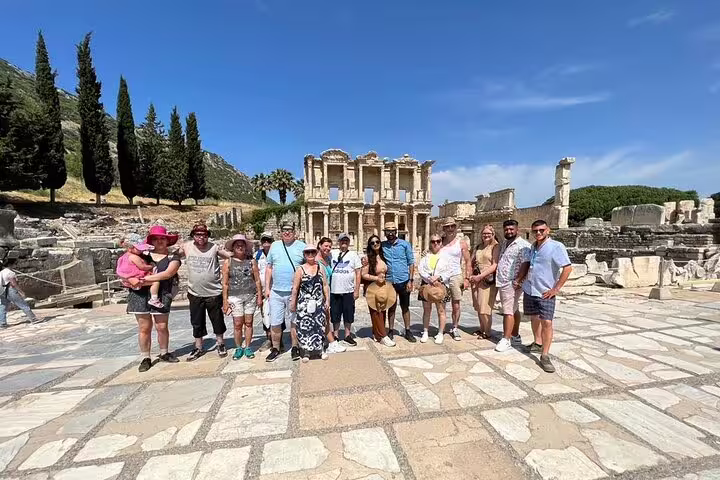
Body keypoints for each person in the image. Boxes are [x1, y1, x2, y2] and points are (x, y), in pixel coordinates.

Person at [126, 226, 182, 372]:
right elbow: (126, 268)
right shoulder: (142, 255)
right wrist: (130, 279)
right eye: (156, 239)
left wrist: (142, 279)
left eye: (162, 238)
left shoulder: (172, 258)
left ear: (167, 241)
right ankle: (146, 357)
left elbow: (167, 274)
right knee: (144, 328)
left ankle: (164, 352)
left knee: (161, 326)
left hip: (162, 293)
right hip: (140, 294)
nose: (159, 241)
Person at [520, 219, 573, 373]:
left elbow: (567, 268)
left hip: (545, 292)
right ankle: (537, 342)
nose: (538, 233)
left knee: (547, 322)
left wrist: (556, 289)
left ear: (548, 230)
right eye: (535, 230)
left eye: (541, 230)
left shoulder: (556, 247)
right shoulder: (533, 247)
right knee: (534, 317)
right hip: (530, 289)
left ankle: (545, 355)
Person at [178, 224, 233, 361]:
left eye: (204, 235)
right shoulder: (187, 246)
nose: (201, 237)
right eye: (198, 235)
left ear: (207, 235)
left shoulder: (214, 247)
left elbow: (229, 255)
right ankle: (198, 347)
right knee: (196, 321)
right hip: (195, 292)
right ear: (193, 235)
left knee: (217, 319)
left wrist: (243, 253)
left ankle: (220, 343)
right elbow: (171, 254)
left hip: (213, 292)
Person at [265, 222, 306, 362]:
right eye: (284, 230)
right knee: (275, 322)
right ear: (280, 232)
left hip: (294, 291)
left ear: (295, 232)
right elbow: (269, 267)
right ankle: (275, 348)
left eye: (289, 230)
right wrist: (267, 288)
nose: (287, 232)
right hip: (276, 291)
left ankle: (295, 347)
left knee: (294, 321)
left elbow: (310, 264)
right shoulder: (275, 246)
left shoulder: (302, 246)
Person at [222, 234, 262, 360]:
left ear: (245, 247)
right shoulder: (228, 262)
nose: (240, 247)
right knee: (238, 323)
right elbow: (225, 283)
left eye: (242, 244)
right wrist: (225, 301)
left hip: (250, 295)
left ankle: (248, 347)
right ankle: (239, 347)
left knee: (249, 322)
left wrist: (259, 295)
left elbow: (257, 281)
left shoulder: (251, 262)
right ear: (233, 247)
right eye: (237, 245)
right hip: (235, 296)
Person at [494, 219, 531, 353]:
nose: (509, 231)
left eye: (511, 229)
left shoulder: (523, 245)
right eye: (506, 229)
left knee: (507, 311)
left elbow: (525, 263)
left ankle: (506, 339)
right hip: (504, 281)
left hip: (512, 282)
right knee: (514, 309)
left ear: (517, 230)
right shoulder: (505, 243)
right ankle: (515, 335)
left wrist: (518, 280)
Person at [290, 245, 330, 362]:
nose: (310, 255)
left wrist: (327, 300)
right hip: (304, 303)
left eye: (313, 252)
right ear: (304, 254)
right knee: (305, 327)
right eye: (308, 253)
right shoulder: (300, 269)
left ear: (316, 253)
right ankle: (306, 351)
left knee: (319, 326)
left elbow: (325, 285)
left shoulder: (320, 268)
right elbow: (295, 288)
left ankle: (320, 350)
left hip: (318, 302)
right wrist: (293, 303)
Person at [382, 222, 416, 342]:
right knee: (391, 307)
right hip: (390, 281)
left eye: (392, 231)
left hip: (403, 280)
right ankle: (390, 331)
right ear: (385, 233)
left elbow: (411, 262)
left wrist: (411, 280)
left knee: (405, 307)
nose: (390, 233)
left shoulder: (405, 244)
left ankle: (408, 331)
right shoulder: (382, 246)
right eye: (388, 231)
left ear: (396, 232)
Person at [439, 217, 472, 341]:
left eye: (452, 226)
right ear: (444, 228)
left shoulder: (461, 243)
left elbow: (468, 261)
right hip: (442, 278)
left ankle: (455, 327)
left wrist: (467, 278)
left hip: (455, 276)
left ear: (456, 227)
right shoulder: (440, 242)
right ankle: (441, 328)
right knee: (441, 305)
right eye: (447, 227)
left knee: (456, 305)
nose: (450, 229)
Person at [361, 235, 396, 347]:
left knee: (383, 310)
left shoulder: (382, 256)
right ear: (369, 246)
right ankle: (383, 336)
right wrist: (376, 278)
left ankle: (377, 334)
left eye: (377, 242)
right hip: (373, 287)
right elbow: (363, 274)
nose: (375, 244)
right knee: (377, 312)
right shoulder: (368, 258)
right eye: (372, 243)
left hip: (383, 287)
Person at [417, 234, 452, 344]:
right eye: (433, 241)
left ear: (441, 242)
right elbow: (421, 269)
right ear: (430, 243)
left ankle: (440, 333)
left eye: (438, 241)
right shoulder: (425, 256)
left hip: (441, 285)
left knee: (441, 310)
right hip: (427, 285)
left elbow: (449, 270)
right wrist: (429, 278)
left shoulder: (446, 256)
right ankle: (425, 331)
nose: (435, 243)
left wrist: (439, 278)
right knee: (427, 310)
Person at [315, 237, 347, 354]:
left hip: (327, 291)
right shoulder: (315, 260)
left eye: (330, 246)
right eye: (326, 246)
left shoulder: (326, 259)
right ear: (319, 245)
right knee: (325, 319)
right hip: (319, 293)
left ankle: (325, 342)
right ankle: (332, 343)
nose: (328, 248)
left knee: (325, 318)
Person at [330, 233, 362, 346]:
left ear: (349, 242)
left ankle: (347, 335)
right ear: (338, 242)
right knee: (335, 314)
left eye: (346, 241)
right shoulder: (332, 253)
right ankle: (336, 335)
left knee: (349, 314)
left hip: (348, 290)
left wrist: (357, 290)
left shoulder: (353, 255)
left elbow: (358, 273)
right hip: (334, 290)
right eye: (342, 240)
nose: (344, 242)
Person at [116, 235, 162, 308]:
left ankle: (137, 286)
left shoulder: (124, 257)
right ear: (130, 248)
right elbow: (142, 267)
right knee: (155, 282)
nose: (141, 250)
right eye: (139, 249)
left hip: (130, 278)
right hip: (138, 277)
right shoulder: (134, 257)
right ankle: (154, 299)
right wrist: (151, 266)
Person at [470, 225, 500, 339]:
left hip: (487, 280)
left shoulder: (495, 247)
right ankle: (481, 328)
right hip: (476, 279)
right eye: (484, 233)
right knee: (478, 306)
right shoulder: (479, 246)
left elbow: (495, 265)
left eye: (488, 233)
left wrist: (481, 276)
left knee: (485, 307)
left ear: (493, 234)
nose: (486, 235)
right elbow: (473, 261)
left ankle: (487, 332)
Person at [0, 259, 40, 327]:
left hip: (2, 291)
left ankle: (2, 322)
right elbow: (14, 284)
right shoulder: (10, 273)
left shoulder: (1, 272)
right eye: (14, 264)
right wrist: (21, 292)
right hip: (10, 290)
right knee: (22, 303)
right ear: (10, 264)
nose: (15, 265)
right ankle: (33, 318)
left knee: (3, 306)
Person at [255, 232, 278, 350]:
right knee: (265, 316)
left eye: (268, 241)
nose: (266, 243)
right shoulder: (257, 255)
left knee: (278, 316)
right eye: (264, 241)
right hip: (264, 291)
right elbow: (254, 274)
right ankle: (269, 339)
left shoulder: (277, 254)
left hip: (276, 290)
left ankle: (278, 340)